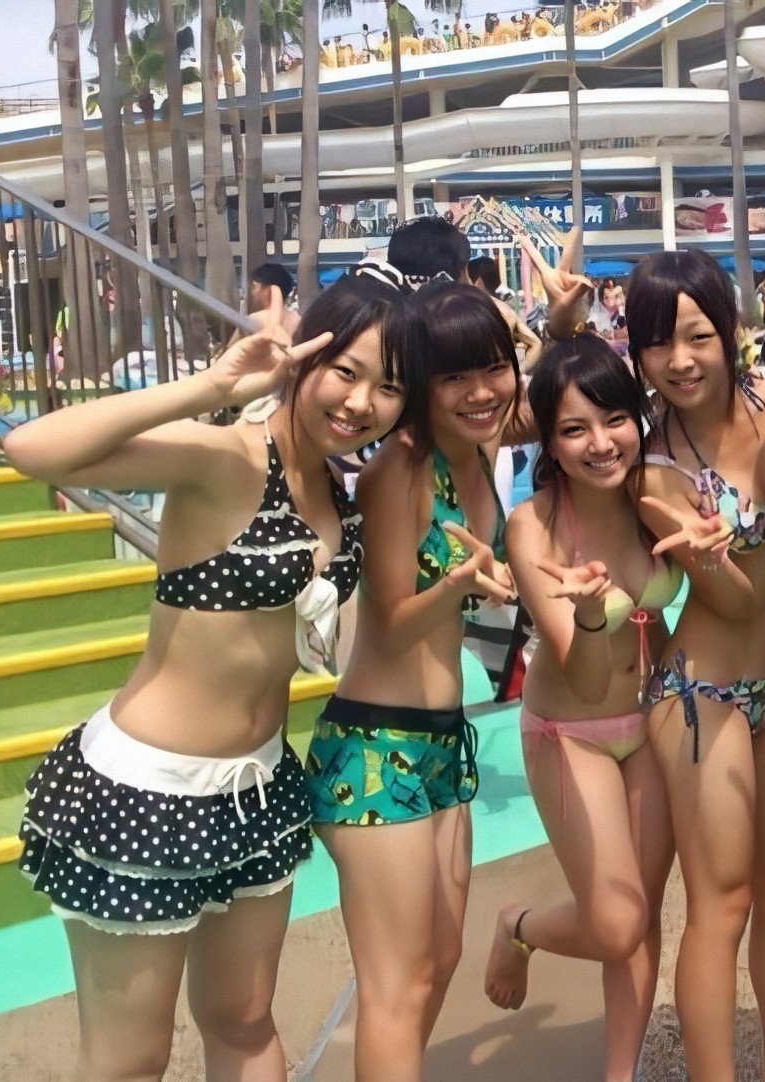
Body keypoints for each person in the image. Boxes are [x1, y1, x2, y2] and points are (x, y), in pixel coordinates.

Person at [11, 277, 405, 1082]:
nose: (362, 401)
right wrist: (209, 390)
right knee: (130, 1059)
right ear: (305, 360)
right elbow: (31, 449)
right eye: (347, 370)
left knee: (245, 1021)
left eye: (390, 386)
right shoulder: (227, 458)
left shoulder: (339, 488)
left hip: (258, 790)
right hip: (147, 794)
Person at [305, 281, 522, 1082]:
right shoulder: (399, 471)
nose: (480, 392)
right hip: (373, 746)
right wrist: (462, 585)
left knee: (441, 956)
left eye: (494, 368)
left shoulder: (481, 454)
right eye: (454, 376)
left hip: (441, 746)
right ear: (422, 386)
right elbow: (391, 621)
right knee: (396, 985)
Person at [623, 250, 765, 1082]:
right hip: (702, 693)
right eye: (657, 343)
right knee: (722, 902)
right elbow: (735, 602)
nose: (680, 360)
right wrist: (711, 555)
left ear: (732, 330)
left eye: (697, 335)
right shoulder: (655, 466)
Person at [481, 335, 677, 1082]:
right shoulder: (533, 527)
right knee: (616, 922)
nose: (601, 443)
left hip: (652, 722)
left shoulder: (654, 495)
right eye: (574, 429)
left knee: (642, 913)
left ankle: (620, 1073)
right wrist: (592, 614)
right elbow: (587, 677)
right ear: (549, 443)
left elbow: (675, 608)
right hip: (572, 731)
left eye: (614, 419)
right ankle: (519, 925)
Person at [467, 255, 543, 372]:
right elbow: (536, 344)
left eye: (467, 279)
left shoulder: (473, 311)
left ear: (479, 282)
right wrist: (517, 374)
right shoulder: (504, 308)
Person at [247, 263, 299, 338]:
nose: (252, 292)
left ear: (268, 289)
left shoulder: (252, 320)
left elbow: (233, 345)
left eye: (254, 286)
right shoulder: (298, 320)